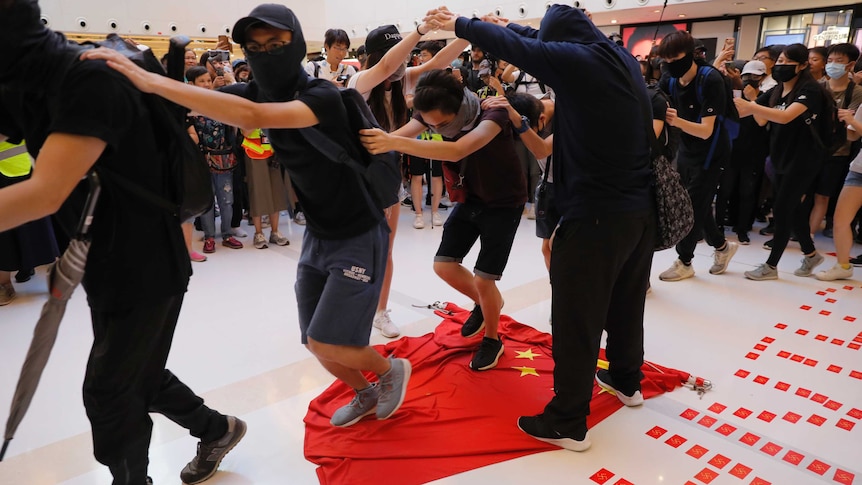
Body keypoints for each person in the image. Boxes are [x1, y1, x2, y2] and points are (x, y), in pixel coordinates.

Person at [83, 3, 416, 430]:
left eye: (277, 44)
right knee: (313, 340)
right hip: (319, 232)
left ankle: (391, 373)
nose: (265, 53)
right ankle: (364, 391)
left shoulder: (322, 96)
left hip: (359, 230)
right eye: (254, 47)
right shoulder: (257, 92)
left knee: (325, 338)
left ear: (296, 44)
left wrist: (149, 81)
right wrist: (133, 84)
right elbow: (208, 105)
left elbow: (253, 118)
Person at [0, 1, 244, 483]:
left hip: (147, 261)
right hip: (102, 260)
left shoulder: (90, 78)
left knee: (110, 394)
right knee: (137, 377)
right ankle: (217, 429)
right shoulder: (28, 80)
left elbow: (46, 193)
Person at [426, 5, 654, 451]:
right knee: (626, 303)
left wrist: (456, 24)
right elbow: (531, 36)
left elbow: (523, 47)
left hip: (594, 215)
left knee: (576, 318)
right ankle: (627, 380)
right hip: (637, 212)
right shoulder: (614, 53)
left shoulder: (578, 60)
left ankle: (567, 420)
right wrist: (502, 24)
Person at [360, 68, 527, 371]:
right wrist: (373, 142)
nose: (436, 126)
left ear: (457, 105)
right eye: (430, 122)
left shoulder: (492, 114)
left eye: (442, 123)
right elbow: (397, 135)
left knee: (484, 277)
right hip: (469, 196)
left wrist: (392, 143)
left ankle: (493, 339)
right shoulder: (430, 112)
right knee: (444, 264)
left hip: (504, 202)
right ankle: (488, 305)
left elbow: (457, 150)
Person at [347, 24, 469, 337]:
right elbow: (387, 65)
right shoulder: (360, 82)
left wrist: (470, 32)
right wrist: (419, 31)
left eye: (405, 57)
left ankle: (380, 311)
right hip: (356, 180)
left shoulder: (402, 81)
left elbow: (436, 64)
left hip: (387, 173)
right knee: (356, 251)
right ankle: (349, 306)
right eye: (396, 55)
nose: (402, 65)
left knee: (385, 251)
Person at [734, 43, 828, 280]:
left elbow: (786, 117)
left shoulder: (810, 90)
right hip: (779, 157)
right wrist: (744, 104)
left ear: (803, 65)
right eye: (780, 62)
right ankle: (811, 254)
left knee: (783, 209)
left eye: (788, 63)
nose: (781, 66)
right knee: (793, 209)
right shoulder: (776, 90)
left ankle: (771, 266)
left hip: (804, 159)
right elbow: (760, 121)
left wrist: (753, 105)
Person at [657, 30, 739, 282]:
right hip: (686, 149)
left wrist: (676, 120)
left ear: (691, 54)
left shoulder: (710, 79)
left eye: (676, 58)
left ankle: (685, 261)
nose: (671, 65)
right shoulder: (669, 80)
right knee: (695, 204)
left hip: (712, 151)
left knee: (691, 205)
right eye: (666, 61)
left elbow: (706, 131)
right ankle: (723, 248)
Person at [816, 100, 862, 280]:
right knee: (841, 220)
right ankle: (843, 265)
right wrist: (845, 122)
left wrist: (853, 120)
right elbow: (852, 136)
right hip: (858, 169)